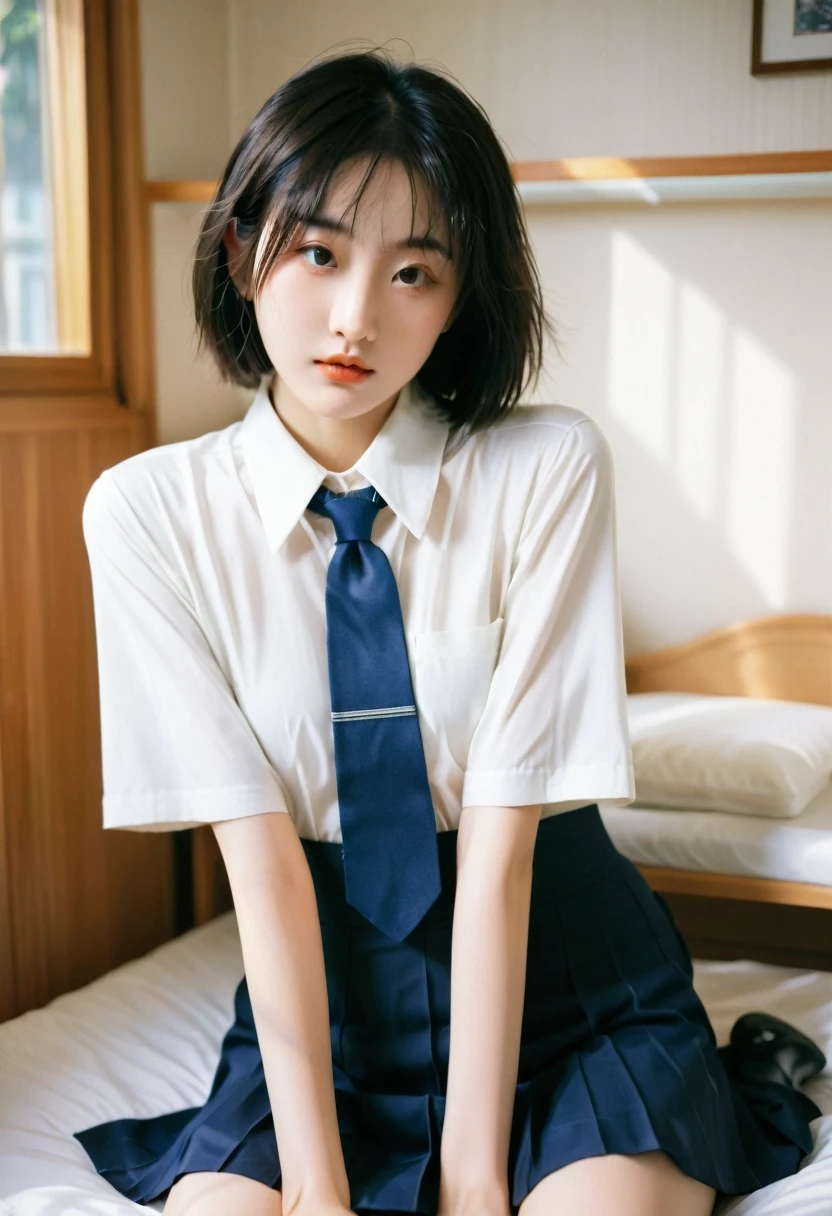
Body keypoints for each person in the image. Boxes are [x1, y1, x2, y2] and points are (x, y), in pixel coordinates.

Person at [73, 45, 825, 1216]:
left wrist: (476, 1187)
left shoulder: (546, 467)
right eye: (317, 252)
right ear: (240, 248)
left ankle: (707, 1087)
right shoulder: (147, 515)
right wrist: (318, 1191)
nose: (355, 317)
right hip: (316, 1008)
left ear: (460, 296)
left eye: (414, 272)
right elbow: (261, 865)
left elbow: (503, 844)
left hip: (568, 986)